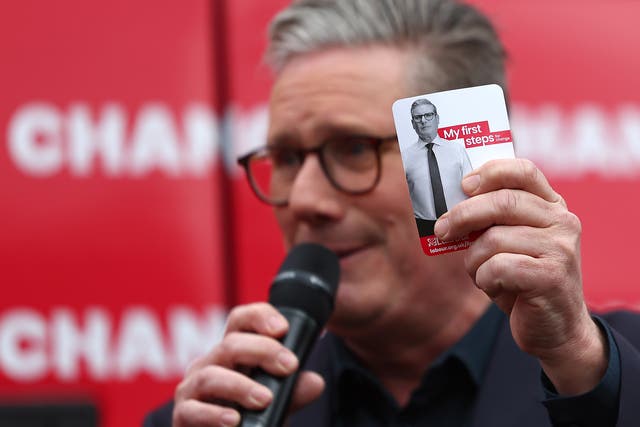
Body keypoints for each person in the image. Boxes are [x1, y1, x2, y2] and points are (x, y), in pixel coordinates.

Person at [145, 0, 640, 426]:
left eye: (354, 148)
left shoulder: (609, 367)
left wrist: (579, 363)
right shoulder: (216, 413)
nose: (304, 200)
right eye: (289, 158)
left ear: (476, 164)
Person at [401, 98, 473, 236]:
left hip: (460, 220)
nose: (423, 120)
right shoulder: (404, 157)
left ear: (437, 118)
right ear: (412, 124)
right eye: (418, 117)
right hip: (422, 227)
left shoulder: (457, 149)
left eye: (428, 115)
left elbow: (471, 188)